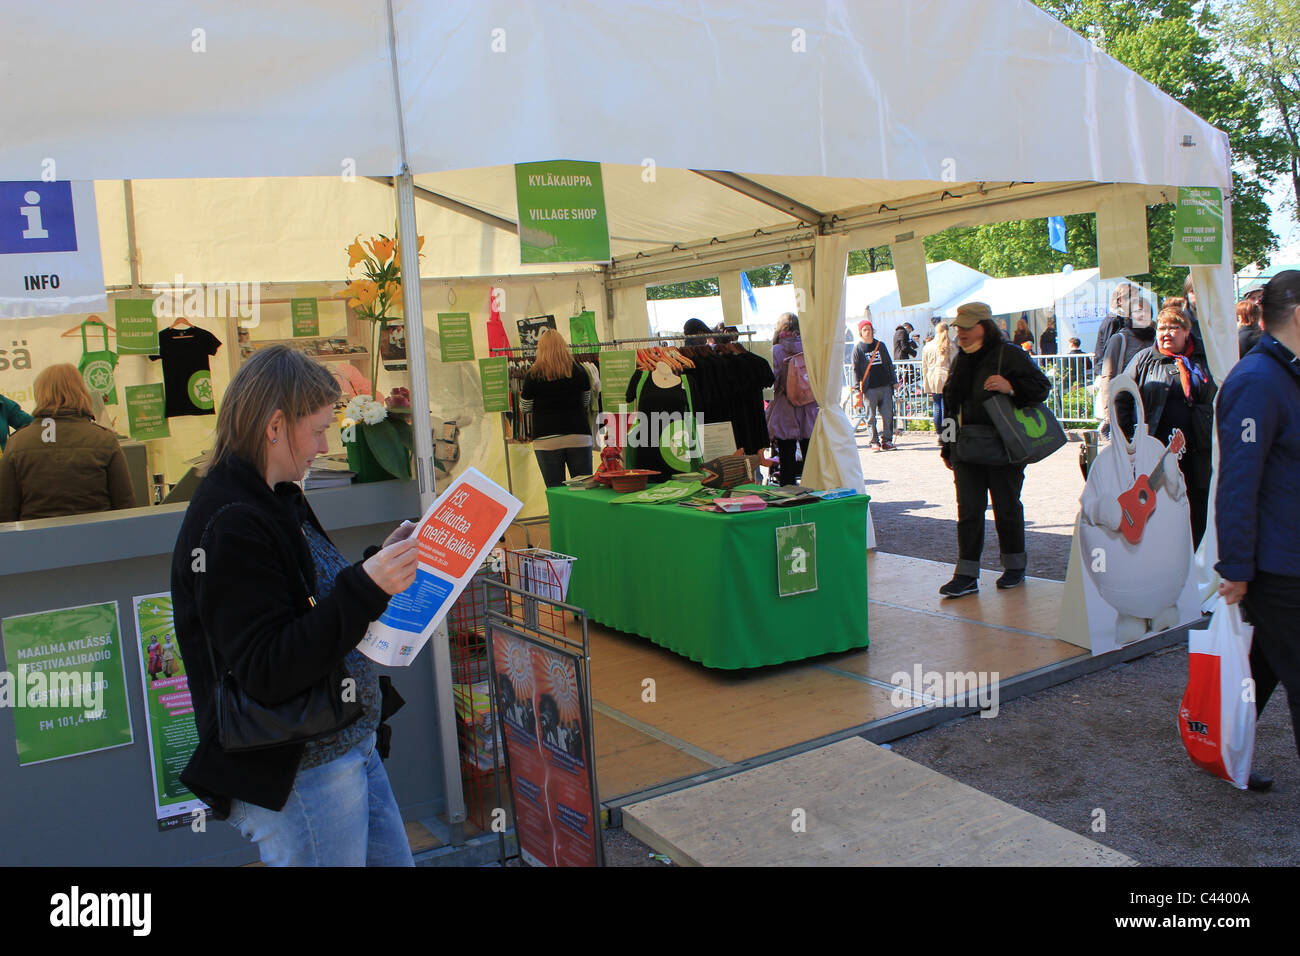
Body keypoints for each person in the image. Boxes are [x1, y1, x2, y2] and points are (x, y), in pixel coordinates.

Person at [171, 345, 420, 866]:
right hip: (304, 771)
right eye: (318, 430)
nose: (324, 446)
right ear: (275, 426)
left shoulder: (273, 493)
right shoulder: (232, 522)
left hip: (342, 746)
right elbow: (269, 668)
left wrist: (380, 566)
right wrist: (368, 587)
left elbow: (311, 597)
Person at [1215, 269, 1300, 793]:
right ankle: (1219, 743)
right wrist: (1238, 570)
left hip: (1283, 560)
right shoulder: (1257, 381)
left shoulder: (1281, 374)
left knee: (1260, 666)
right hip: (1280, 569)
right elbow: (1237, 485)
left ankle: (1221, 744)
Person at [939, 302, 1051, 597]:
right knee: (969, 512)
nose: (960, 332)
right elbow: (950, 405)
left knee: (1007, 508)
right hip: (966, 449)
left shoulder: (1010, 354)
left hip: (1004, 447)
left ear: (984, 327)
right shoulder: (960, 359)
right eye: (959, 327)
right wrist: (948, 446)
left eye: (966, 326)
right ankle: (965, 575)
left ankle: (1014, 567)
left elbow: (1041, 387)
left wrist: (1011, 386)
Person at [1114, 303, 1217, 548]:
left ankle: (1195, 560)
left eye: (1174, 328)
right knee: (1159, 505)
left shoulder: (1205, 359)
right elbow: (1121, 397)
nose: (1166, 333)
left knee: (1196, 505)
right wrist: (1130, 438)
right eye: (1162, 328)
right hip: (1156, 452)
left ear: (1187, 331)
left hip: (1197, 451)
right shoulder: (1144, 359)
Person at [0, 364, 135, 522]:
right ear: (81, 391)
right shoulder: (104, 439)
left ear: (40, 394)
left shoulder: (17, 443)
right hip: (98, 539)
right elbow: (125, 505)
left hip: (37, 542)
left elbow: (5, 511)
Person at [520, 329, 593, 488]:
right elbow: (586, 401)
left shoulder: (532, 375)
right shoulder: (580, 371)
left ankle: (559, 513)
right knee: (583, 491)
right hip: (578, 435)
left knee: (555, 490)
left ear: (541, 349)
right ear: (563, 346)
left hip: (546, 439)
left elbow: (525, 407)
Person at [1095, 292, 1155, 440]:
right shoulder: (1119, 339)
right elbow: (1108, 376)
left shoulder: (1156, 339)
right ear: (1130, 315)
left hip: (1150, 405)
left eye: (1146, 311)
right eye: (1137, 311)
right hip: (1125, 406)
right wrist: (1108, 413)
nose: (1142, 315)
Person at [767, 313, 818, 484]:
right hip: (809, 406)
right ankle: (813, 494)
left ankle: (788, 497)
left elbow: (771, 381)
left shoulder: (776, 350)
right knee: (811, 460)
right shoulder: (811, 347)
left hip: (785, 407)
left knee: (786, 460)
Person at [851, 317, 897, 450]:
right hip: (869, 388)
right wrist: (856, 390)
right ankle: (873, 441)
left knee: (888, 415)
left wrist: (893, 381)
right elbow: (855, 370)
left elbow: (889, 364)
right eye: (864, 330)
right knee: (870, 416)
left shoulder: (880, 345)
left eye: (869, 329)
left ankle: (887, 440)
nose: (867, 332)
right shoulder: (858, 349)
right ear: (860, 332)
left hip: (885, 385)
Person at [921, 321, 956, 440]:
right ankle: (948, 435)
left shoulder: (928, 346)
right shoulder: (950, 345)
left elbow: (924, 366)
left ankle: (939, 434)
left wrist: (926, 384)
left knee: (937, 406)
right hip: (947, 377)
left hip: (933, 378)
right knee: (947, 407)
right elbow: (955, 365)